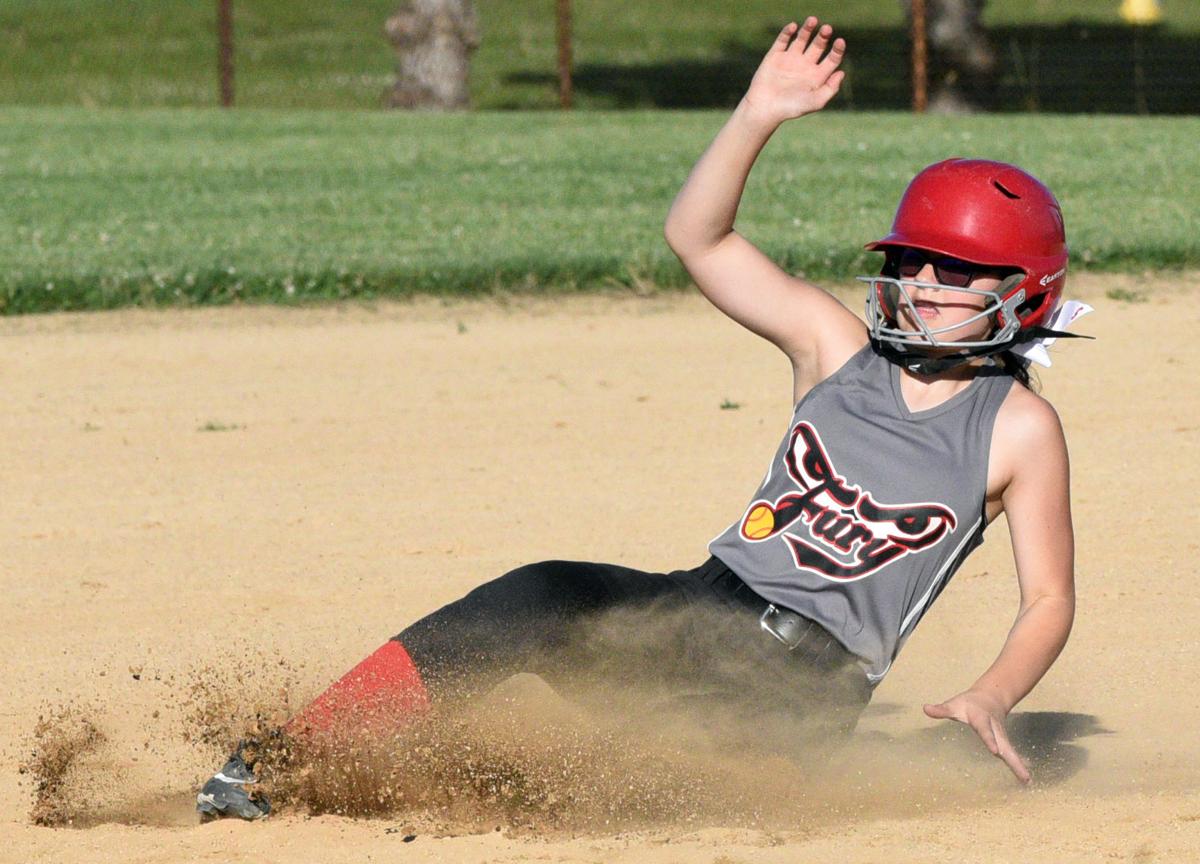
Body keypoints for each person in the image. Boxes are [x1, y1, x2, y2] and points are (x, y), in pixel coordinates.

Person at [196, 17, 1085, 821]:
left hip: (803, 695)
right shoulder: (836, 349)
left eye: (953, 271)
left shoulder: (1015, 430)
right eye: (913, 261)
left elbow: (1047, 599)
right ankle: (287, 760)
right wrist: (756, 115)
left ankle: (450, 791)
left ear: (1022, 294)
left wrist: (992, 694)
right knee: (541, 594)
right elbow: (700, 239)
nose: (922, 284)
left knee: (631, 790)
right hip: (695, 613)